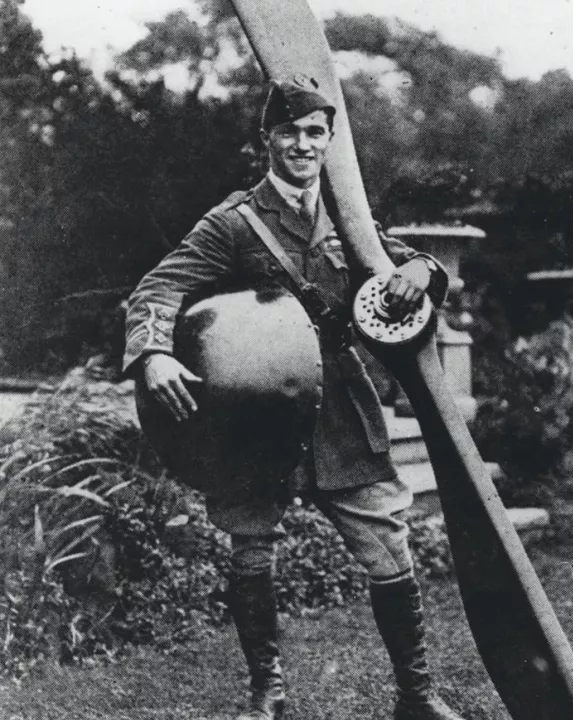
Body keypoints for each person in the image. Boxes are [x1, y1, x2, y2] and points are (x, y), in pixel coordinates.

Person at [124, 76, 468, 720]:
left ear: (329, 140)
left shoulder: (349, 217)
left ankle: (417, 697)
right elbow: (157, 289)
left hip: (340, 405)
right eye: (289, 133)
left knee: (387, 547)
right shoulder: (233, 223)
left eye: (315, 133)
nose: (302, 145)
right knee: (252, 547)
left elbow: (400, 263)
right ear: (268, 141)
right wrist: (154, 353)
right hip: (255, 411)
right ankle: (269, 692)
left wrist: (422, 270)